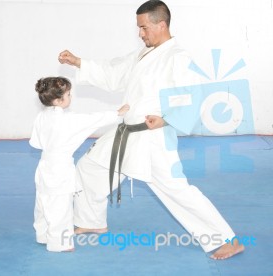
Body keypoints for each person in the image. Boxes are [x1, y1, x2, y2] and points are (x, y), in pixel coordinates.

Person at [58, 0, 244, 259]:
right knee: (90, 168)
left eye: (144, 27)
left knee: (175, 190)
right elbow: (113, 72)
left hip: (152, 137)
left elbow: (192, 96)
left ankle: (226, 240)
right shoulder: (143, 54)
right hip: (127, 131)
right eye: (139, 28)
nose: (140, 33)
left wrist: (166, 119)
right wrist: (79, 62)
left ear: (161, 24)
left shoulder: (178, 57)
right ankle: (91, 219)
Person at [29, 76, 129, 252]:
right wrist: (117, 113)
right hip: (60, 167)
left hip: (44, 165)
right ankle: (60, 243)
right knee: (60, 205)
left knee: (43, 201)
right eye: (68, 94)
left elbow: (36, 143)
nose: (70, 97)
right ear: (59, 100)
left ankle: (43, 235)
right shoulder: (69, 120)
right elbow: (92, 119)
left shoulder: (42, 117)